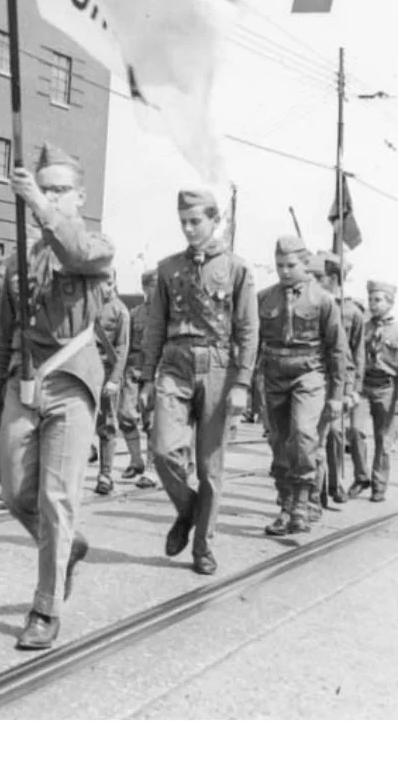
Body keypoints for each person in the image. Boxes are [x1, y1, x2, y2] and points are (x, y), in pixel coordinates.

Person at [0, 142, 113, 650]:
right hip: (22, 384)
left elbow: (74, 251)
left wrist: (38, 203)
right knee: (14, 492)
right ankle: (66, 549)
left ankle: (44, 608)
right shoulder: (17, 260)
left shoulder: (94, 247)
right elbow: (0, 333)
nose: (50, 195)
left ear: (78, 197)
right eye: (42, 186)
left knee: (57, 499)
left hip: (72, 384)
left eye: (59, 190)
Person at [139, 188, 258, 576]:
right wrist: (145, 376)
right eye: (184, 222)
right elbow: (155, 325)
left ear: (213, 220)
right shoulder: (168, 269)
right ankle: (188, 509)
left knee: (210, 467)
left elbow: (248, 329)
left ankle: (203, 548)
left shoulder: (237, 269)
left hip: (219, 367)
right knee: (162, 451)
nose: (189, 229)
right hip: (174, 364)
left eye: (196, 222)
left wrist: (241, 383)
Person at [260, 237, 347, 536]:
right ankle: (286, 507)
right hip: (273, 377)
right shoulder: (264, 298)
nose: (284, 271)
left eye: (290, 265)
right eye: (279, 265)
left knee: (304, 434)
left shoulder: (322, 300)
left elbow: (337, 351)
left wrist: (337, 396)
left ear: (304, 263)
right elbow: (251, 344)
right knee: (280, 443)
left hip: (308, 375)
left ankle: (301, 501)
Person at [353, 280, 398, 502]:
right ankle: (361, 477)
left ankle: (379, 486)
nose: (373, 304)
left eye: (378, 300)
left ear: (390, 303)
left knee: (383, 441)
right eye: (370, 299)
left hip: (388, 389)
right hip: (363, 387)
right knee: (355, 431)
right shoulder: (364, 328)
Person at [316, 253, 366, 505]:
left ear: (334, 278)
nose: (315, 280)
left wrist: (354, 389)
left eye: (320, 276)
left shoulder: (352, 313)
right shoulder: (311, 303)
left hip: (340, 381)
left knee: (334, 433)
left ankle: (334, 485)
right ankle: (316, 491)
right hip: (313, 376)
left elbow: (357, 354)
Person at [119, 269, 159, 488]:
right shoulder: (134, 314)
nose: (155, 290)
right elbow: (124, 345)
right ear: (144, 287)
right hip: (133, 370)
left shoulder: (167, 315)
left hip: (155, 373)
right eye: (151, 285)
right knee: (125, 416)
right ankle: (136, 460)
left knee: (152, 423)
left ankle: (152, 470)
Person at [92, 275, 130, 495]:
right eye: (99, 283)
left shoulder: (120, 311)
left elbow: (122, 347)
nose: (102, 288)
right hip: (87, 371)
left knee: (107, 424)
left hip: (107, 371)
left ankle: (105, 474)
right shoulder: (89, 305)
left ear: (114, 283)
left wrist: (115, 379)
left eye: (106, 283)